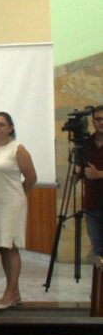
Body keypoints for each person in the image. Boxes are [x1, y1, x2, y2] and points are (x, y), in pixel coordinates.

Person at [0, 112, 37, 310]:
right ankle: (15, 291)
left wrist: (16, 197)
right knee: (1, 247)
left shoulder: (17, 149)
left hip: (12, 204)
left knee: (10, 247)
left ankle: (10, 293)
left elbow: (31, 178)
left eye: (1, 124)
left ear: (10, 127)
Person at [76, 107, 103, 261]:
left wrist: (99, 174)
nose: (101, 122)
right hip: (92, 205)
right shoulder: (86, 144)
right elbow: (78, 172)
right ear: (92, 121)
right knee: (98, 252)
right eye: (98, 119)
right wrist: (77, 172)